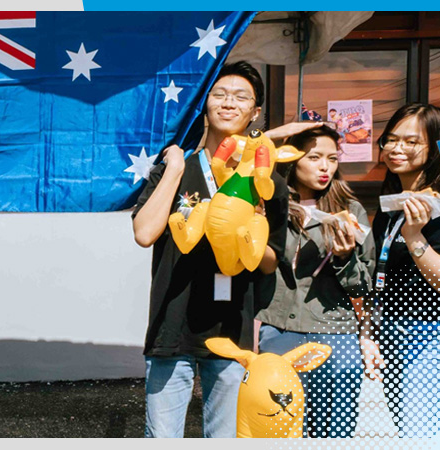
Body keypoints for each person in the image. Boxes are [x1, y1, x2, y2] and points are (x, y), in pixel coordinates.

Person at [131, 61, 318, 438]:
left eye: (241, 97)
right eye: (220, 94)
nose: (229, 103)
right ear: (205, 103)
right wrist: (173, 169)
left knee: (227, 440)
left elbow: (270, 263)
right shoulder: (176, 166)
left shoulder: (269, 184)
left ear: (256, 112)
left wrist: (252, 230)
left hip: (233, 336)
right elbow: (145, 232)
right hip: (172, 326)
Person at [254, 125, 375, 438]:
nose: (325, 167)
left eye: (332, 159)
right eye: (315, 157)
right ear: (292, 160)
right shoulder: (269, 207)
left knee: (332, 433)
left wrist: (345, 258)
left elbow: (363, 288)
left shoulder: (351, 211)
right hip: (277, 329)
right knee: (277, 427)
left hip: (334, 335)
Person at [368, 103, 440, 438]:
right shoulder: (391, 206)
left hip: (430, 334)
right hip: (392, 332)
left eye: (411, 142)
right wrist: (369, 330)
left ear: (435, 148)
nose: (397, 148)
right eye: (391, 139)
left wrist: (414, 236)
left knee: (421, 434)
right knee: (408, 432)